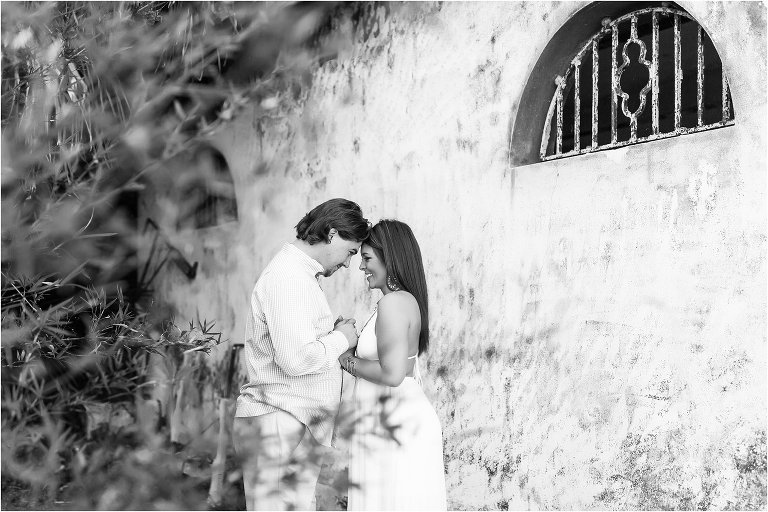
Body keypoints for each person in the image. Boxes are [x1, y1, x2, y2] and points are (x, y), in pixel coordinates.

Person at [233, 198, 370, 511]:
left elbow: (295, 345)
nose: (349, 263)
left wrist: (329, 336)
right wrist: (340, 338)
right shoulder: (288, 278)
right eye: (350, 252)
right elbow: (295, 360)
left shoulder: (298, 275)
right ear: (332, 233)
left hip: (290, 419)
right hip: (279, 419)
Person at [339, 219, 447, 510]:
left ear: (389, 257)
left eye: (367, 258)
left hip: (395, 423)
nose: (361, 267)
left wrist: (345, 359)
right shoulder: (402, 301)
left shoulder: (393, 303)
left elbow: (393, 373)